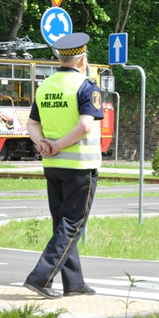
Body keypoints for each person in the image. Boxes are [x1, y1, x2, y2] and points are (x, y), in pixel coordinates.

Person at [24, 32, 104, 299]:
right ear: (82, 58)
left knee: (62, 223)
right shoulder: (86, 86)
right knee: (72, 224)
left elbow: (32, 124)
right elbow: (85, 125)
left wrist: (43, 144)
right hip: (80, 167)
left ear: (60, 58)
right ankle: (41, 277)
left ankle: (74, 282)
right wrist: (58, 145)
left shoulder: (45, 86)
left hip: (53, 166)